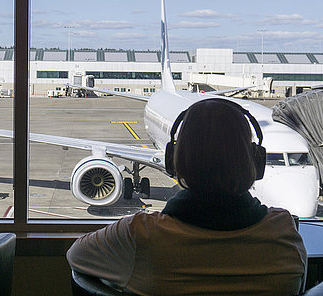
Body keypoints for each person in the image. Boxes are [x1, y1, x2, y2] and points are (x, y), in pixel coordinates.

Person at [67, 98, 307, 295]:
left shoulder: (141, 234)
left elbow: (76, 256)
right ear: (256, 162)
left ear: (174, 161)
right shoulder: (284, 231)